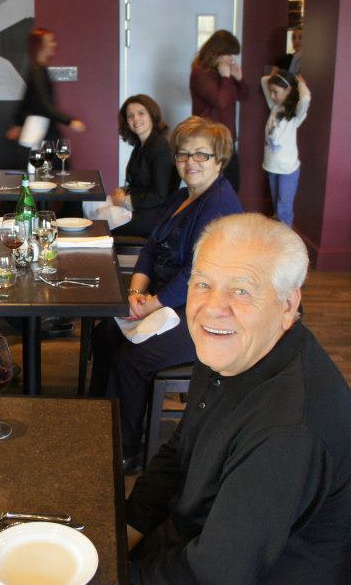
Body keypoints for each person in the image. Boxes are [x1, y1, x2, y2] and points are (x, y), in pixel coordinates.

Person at [125, 213, 351, 584]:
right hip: (192, 542)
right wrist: (127, 527)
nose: (212, 307)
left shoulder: (287, 431)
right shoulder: (231, 349)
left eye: (241, 291)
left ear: (287, 305)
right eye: (202, 283)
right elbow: (180, 451)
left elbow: (216, 573)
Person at [90, 116, 243, 469]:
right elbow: (150, 248)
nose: (190, 162)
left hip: (204, 314)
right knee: (105, 335)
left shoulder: (220, 205)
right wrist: (136, 291)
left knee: (132, 359)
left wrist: (151, 304)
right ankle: (98, 422)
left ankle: (125, 449)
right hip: (164, 302)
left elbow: (197, 272)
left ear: (219, 159)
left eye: (201, 154)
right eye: (183, 154)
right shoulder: (181, 197)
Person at [85, 95, 179, 236]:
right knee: (89, 202)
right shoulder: (141, 144)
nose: (135, 119)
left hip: (151, 215)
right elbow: (139, 182)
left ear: (152, 115)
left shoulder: (160, 148)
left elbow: (160, 195)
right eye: (130, 116)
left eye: (141, 113)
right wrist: (122, 190)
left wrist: (124, 200)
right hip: (136, 205)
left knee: (96, 220)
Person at [9, 27, 86, 159]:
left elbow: (26, 101)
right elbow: (43, 105)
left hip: (42, 131)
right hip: (42, 131)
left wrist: (18, 123)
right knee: (51, 166)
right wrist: (70, 121)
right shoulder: (37, 72)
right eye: (50, 41)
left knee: (45, 166)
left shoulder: (36, 70)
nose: (53, 44)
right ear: (40, 46)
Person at [189, 30, 249, 192]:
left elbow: (244, 96)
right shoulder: (201, 73)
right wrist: (226, 78)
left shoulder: (224, 74)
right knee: (211, 188)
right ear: (217, 52)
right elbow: (220, 102)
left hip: (227, 137)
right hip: (208, 139)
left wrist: (239, 79)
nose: (232, 59)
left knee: (232, 185)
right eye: (229, 54)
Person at [262, 70, 311, 226]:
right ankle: (278, 236)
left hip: (287, 170)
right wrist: (277, 76)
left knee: (284, 209)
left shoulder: (296, 114)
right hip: (272, 167)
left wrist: (300, 84)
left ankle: (285, 238)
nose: (272, 96)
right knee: (277, 208)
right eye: (271, 92)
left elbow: (305, 98)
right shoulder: (275, 107)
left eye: (275, 92)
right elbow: (264, 80)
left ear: (288, 90)